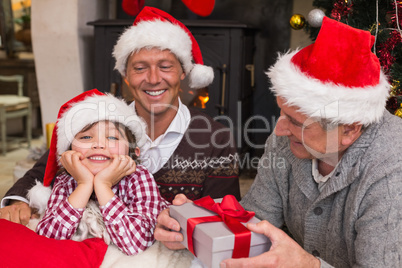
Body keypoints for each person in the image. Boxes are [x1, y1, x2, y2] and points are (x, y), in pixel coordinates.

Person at [154, 17, 402, 267]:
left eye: (295, 121)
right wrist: (198, 220)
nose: (278, 129)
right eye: (281, 112)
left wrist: (309, 265)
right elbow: (258, 219)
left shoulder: (392, 170)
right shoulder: (289, 143)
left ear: (348, 130)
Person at [0, 6, 240, 225]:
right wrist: (18, 200)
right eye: (140, 68)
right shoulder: (100, 117)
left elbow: (226, 213)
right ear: (126, 77)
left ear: (183, 74)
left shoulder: (216, 138)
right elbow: (44, 168)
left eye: (165, 66)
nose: (154, 78)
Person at [29, 89, 168, 256]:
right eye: (86, 138)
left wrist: (103, 185)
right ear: (68, 152)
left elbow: (137, 242)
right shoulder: (65, 182)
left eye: (112, 138)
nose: (98, 145)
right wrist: (84, 184)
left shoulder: (139, 178)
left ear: (133, 153)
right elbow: (48, 238)